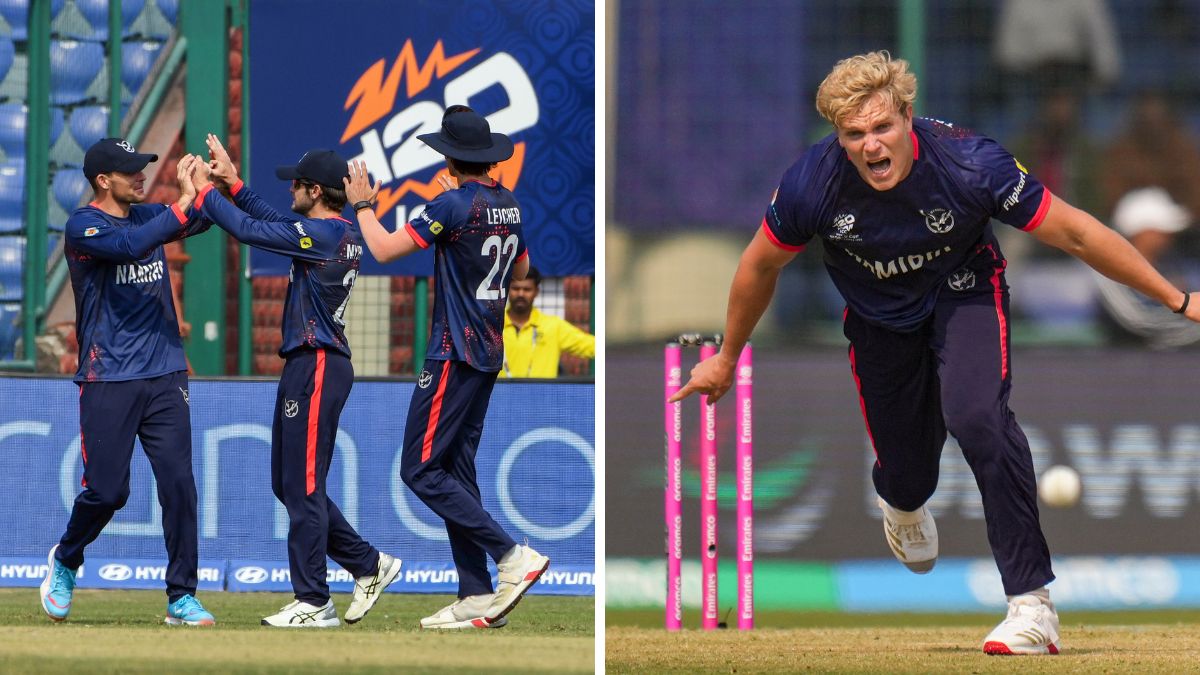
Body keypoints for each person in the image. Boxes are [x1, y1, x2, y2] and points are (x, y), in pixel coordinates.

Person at [670, 52, 1200, 656]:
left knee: (979, 419)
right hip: (877, 324)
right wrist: (727, 356)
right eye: (854, 135)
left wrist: (1176, 299)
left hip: (964, 296)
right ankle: (900, 499)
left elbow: (1077, 231)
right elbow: (759, 265)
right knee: (908, 472)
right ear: (838, 138)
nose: (872, 146)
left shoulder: (971, 163)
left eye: (882, 128)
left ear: (907, 116)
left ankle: (1032, 606)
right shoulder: (810, 183)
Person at [344, 105, 550, 630]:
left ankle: (511, 557)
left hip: (452, 352)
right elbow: (522, 268)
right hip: (487, 354)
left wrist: (364, 207)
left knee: (417, 468)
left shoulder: (451, 205)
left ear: (450, 159)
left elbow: (386, 250)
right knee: (457, 468)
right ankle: (477, 591)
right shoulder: (509, 204)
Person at [185, 136, 402, 628]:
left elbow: (247, 229)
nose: (290, 192)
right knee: (288, 484)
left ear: (316, 191)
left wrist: (204, 193)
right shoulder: (327, 228)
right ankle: (368, 564)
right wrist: (233, 182)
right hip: (306, 363)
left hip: (319, 363)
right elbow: (267, 216)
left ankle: (314, 600)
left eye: (297, 186)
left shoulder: (324, 236)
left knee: (303, 485)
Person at [41, 138, 216, 626]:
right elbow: (127, 247)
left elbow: (198, 219)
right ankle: (67, 558)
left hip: (164, 371)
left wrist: (209, 188)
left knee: (179, 484)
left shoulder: (145, 216)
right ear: (103, 180)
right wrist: (183, 203)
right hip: (108, 374)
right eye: (131, 171)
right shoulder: (84, 226)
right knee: (107, 491)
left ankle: (182, 596)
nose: (142, 176)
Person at [500, 266, 595, 378]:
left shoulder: (553, 326)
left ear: (536, 292)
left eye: (527, 289)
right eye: (515, 288)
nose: (521, 294)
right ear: (506, 290)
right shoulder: (492, 326)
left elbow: (593, 346)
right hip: (500, 394)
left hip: (543, 394)